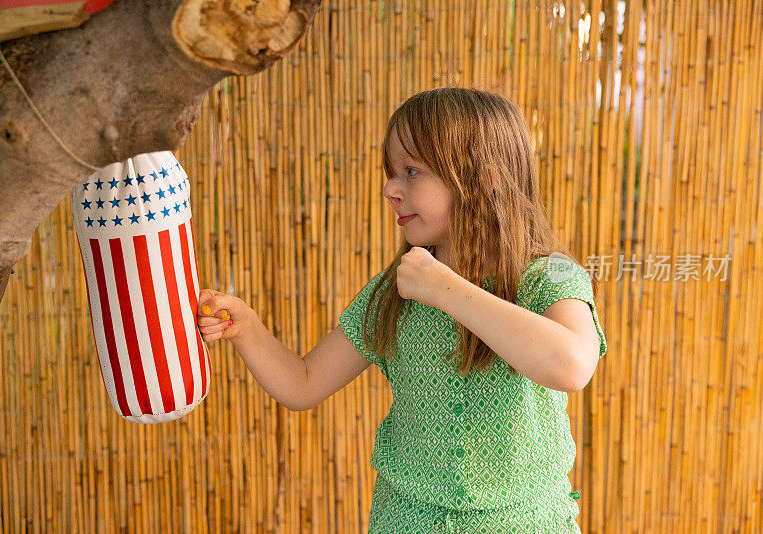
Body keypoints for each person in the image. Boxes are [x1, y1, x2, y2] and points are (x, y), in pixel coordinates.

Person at [196, 87, 608, 533]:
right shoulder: (395, 292)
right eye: (392, 173)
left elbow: (570, 366)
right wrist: (248, 329)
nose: (391, 189)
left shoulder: (548, 278)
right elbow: (303, 383)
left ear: (485, 178)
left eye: (412, 171)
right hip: (404, 520)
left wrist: (447, 289)